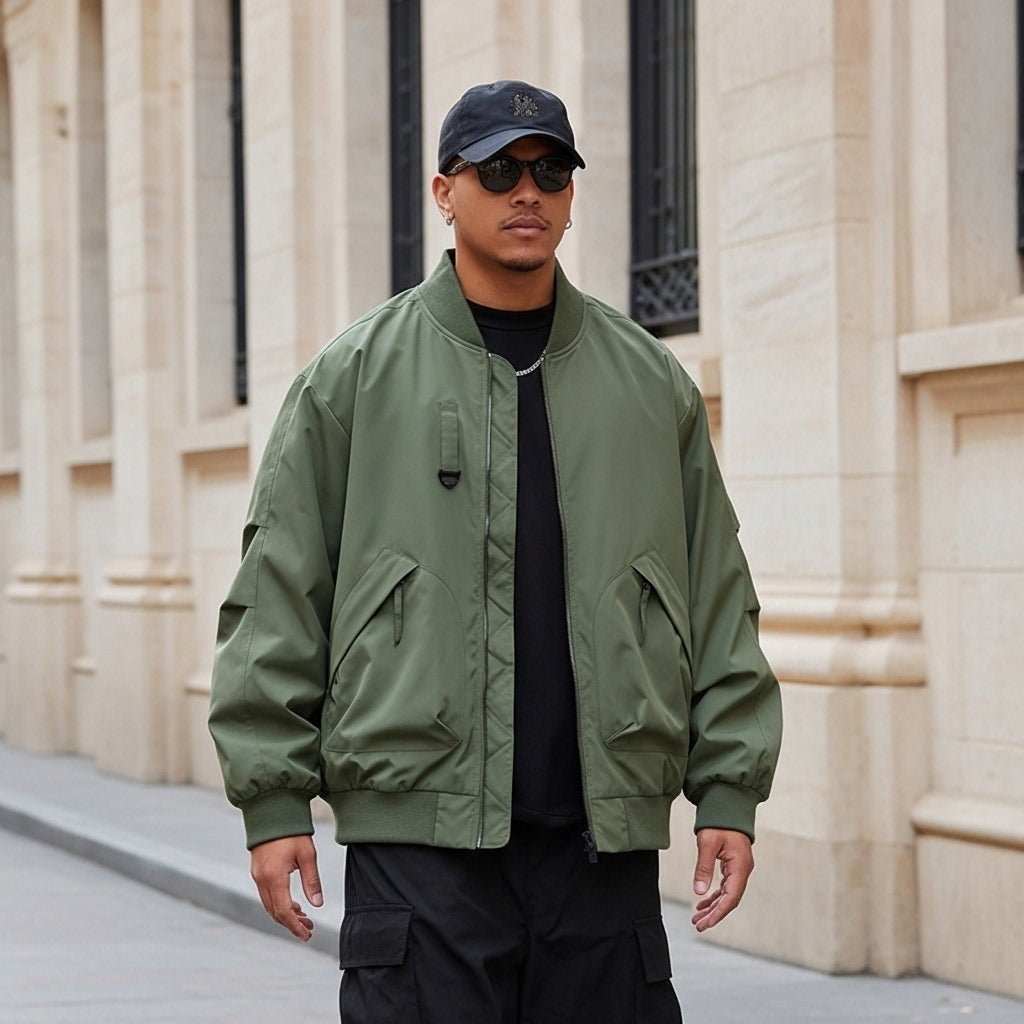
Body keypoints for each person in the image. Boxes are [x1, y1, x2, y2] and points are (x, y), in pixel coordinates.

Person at [209, 79, 782, 1023]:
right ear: (446, 191)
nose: (528, 191)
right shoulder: (353, 378)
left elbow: (717, 596)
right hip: (419, 851)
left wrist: (727, 789)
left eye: (550, 171)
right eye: (499, 169)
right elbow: (277, 594)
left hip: (601, 852)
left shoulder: (649, 384)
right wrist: (273, 805)